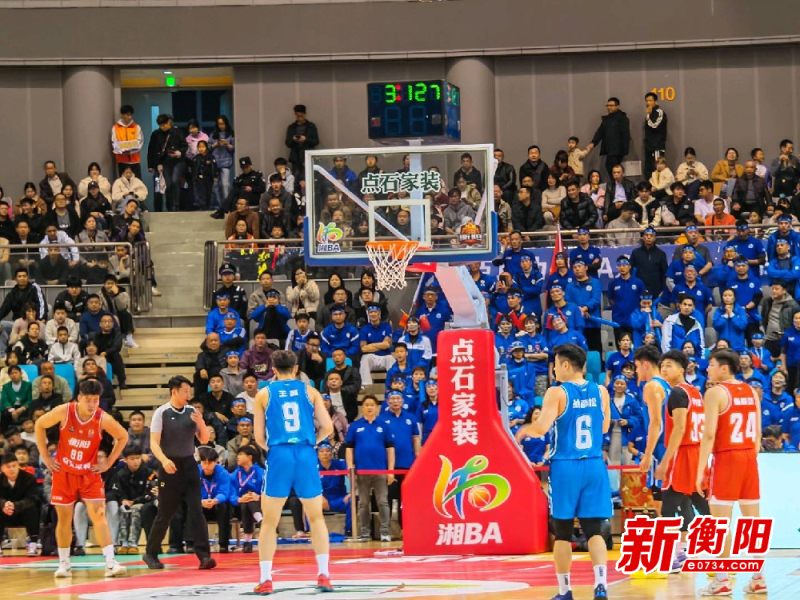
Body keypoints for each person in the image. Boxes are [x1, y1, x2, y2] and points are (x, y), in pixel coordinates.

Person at [515, 344, 611, 600]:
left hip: (566, 465)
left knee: (563, 532)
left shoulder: (556, 392)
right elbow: (604, 428)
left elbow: (541, 428)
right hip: (594, 463)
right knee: (594, 529)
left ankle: (564, 590)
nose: (554, 370)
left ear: (566, 365)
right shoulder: (601, 391)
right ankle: (601, 585)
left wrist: (523, 431)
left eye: (556, 365)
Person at [252, 349, 334, 594]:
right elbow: (328, 427)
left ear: (273, 370)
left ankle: (266, 579)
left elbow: (259, 437)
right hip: (305, 452)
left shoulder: (264, 393)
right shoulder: (310, 391)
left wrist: (275, 449)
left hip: (280, 453)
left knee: (269, 521)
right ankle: (324, 575)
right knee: (316, 517)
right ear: (296, 368)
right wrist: (312, 442)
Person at [33, 379, 128, 578]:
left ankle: (110, 562)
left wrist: (108, 462)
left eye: (96, 400)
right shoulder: (65, 411)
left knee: (99, 515)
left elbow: (123, 436)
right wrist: (46, 457)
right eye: (88, 400)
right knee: (64, 519)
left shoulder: (102, 418)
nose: (92, 404)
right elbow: (40, 425)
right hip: (64, 472)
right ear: (79, 398)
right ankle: (64, 564)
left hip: (88, 473)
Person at [697, 349, 766, 595]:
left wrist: (700, 470)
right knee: (753, 522)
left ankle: (722, 579)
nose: (707, 369)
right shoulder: (751, 391)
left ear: (724, 368)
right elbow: (758, 435)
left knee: (720, 524)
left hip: (727, 458)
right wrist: (749, 457)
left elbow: (709, 435)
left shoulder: (715, 392)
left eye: (711, 364)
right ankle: (759, 578)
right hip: (749, 457)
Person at [143, 376, 216, 570]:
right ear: (174, 391)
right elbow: (153, 443)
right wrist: (164, 460)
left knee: (196, 510)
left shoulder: (192, 411)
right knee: (165, 513)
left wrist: (201, 422)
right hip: (169, 466)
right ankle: (150, 553)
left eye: (189, 391)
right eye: (185, 391)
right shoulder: (162, 412)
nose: (188, 395)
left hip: (189, 465)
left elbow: (204, 439)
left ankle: (204, 556)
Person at [653, 350, 709, 573]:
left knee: (668, 506)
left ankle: (674, 555)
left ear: (681, 369)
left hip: (683, 452)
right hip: (697, 452)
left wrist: (665, 461)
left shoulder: (677, 392)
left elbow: (680, 428)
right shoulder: (695, 392)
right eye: (662, 366)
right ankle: (712, 550)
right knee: (698, 503)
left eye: (669, 365)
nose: (664, 369)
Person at [346, 394, 395, 543]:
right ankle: (365, 533)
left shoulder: (384, 425)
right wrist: (350, 467)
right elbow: (349, 448)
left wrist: (390, 470)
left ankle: (385, 532)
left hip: (380, 471)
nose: (369, 407)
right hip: (361, 472)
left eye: (372, 405)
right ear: (362, 407)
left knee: (383, 502)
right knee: (363, 503)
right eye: (366, 405)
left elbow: (390, 449)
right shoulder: (355, 426)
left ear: (377, 408)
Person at [0, 451, 42, 557]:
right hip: (5, 513)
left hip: (23, 513)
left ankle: (33, 543)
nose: (12, 469)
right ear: (2, 468)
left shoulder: (29, 478)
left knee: (32, 508)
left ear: (18, 465)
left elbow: (33, 498)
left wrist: (16, 505)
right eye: (8, 466)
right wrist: (4, 504)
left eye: (14, 466)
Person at [146, 114, 187, 212]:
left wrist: (180, 152)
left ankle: (175, 207)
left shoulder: (177, 132)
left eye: (164, 124)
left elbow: (184, 145)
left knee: (174, 181)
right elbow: (151, 150)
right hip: (163, 163)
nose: (163, 127)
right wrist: (152, 165)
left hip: (177, 161)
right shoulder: (156, 134)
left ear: (169, 122)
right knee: (164, 185)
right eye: (161, 125)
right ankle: (164, 208)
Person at [585, 96, 631, 177]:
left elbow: (625, 134)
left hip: (618, 149)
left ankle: (616, 183)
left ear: (617, 106)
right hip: (610, 149)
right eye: (608, 105)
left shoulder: (623, 118)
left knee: (612, 167)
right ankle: (616, 183)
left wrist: (624, 150)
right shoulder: (607, 119)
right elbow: (600, 132)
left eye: (611, 105)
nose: (609, 107)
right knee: (611, 167)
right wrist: (593, 143)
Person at [285, 104, 319, 178]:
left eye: (301, 116)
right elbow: (287, 143)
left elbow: (316, 141)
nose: (300, 118)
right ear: (295, 115)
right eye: (298, 116)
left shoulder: (311, 126)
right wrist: (293, 139)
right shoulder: (291, 127)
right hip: (295, 157)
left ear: (305, 114)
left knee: (309, 177)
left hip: (308, 156)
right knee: (296, 178)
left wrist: (306, 139)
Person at [111, 105, 144, 177]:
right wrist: (130, 145)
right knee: (123, 182)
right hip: (122, 161)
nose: (130, 117)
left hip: (135, 161)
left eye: (131, 115)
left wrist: (124, 146)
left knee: (137, 182)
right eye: (127, 115)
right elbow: (115, 144)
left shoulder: (137, 127)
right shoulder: (115, 128)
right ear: (122, 115)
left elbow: (139, 143)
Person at [644, 92, 668, 178]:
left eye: (650, 100)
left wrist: (648, 116)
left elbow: (655, 126)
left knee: (658, 167)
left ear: (655, 101)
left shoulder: (660, 112)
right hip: (649, 146)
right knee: (649, 168)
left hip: (657, 146)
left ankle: (659, 185)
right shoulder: (649, 113)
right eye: (647, 101)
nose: (648, 103)